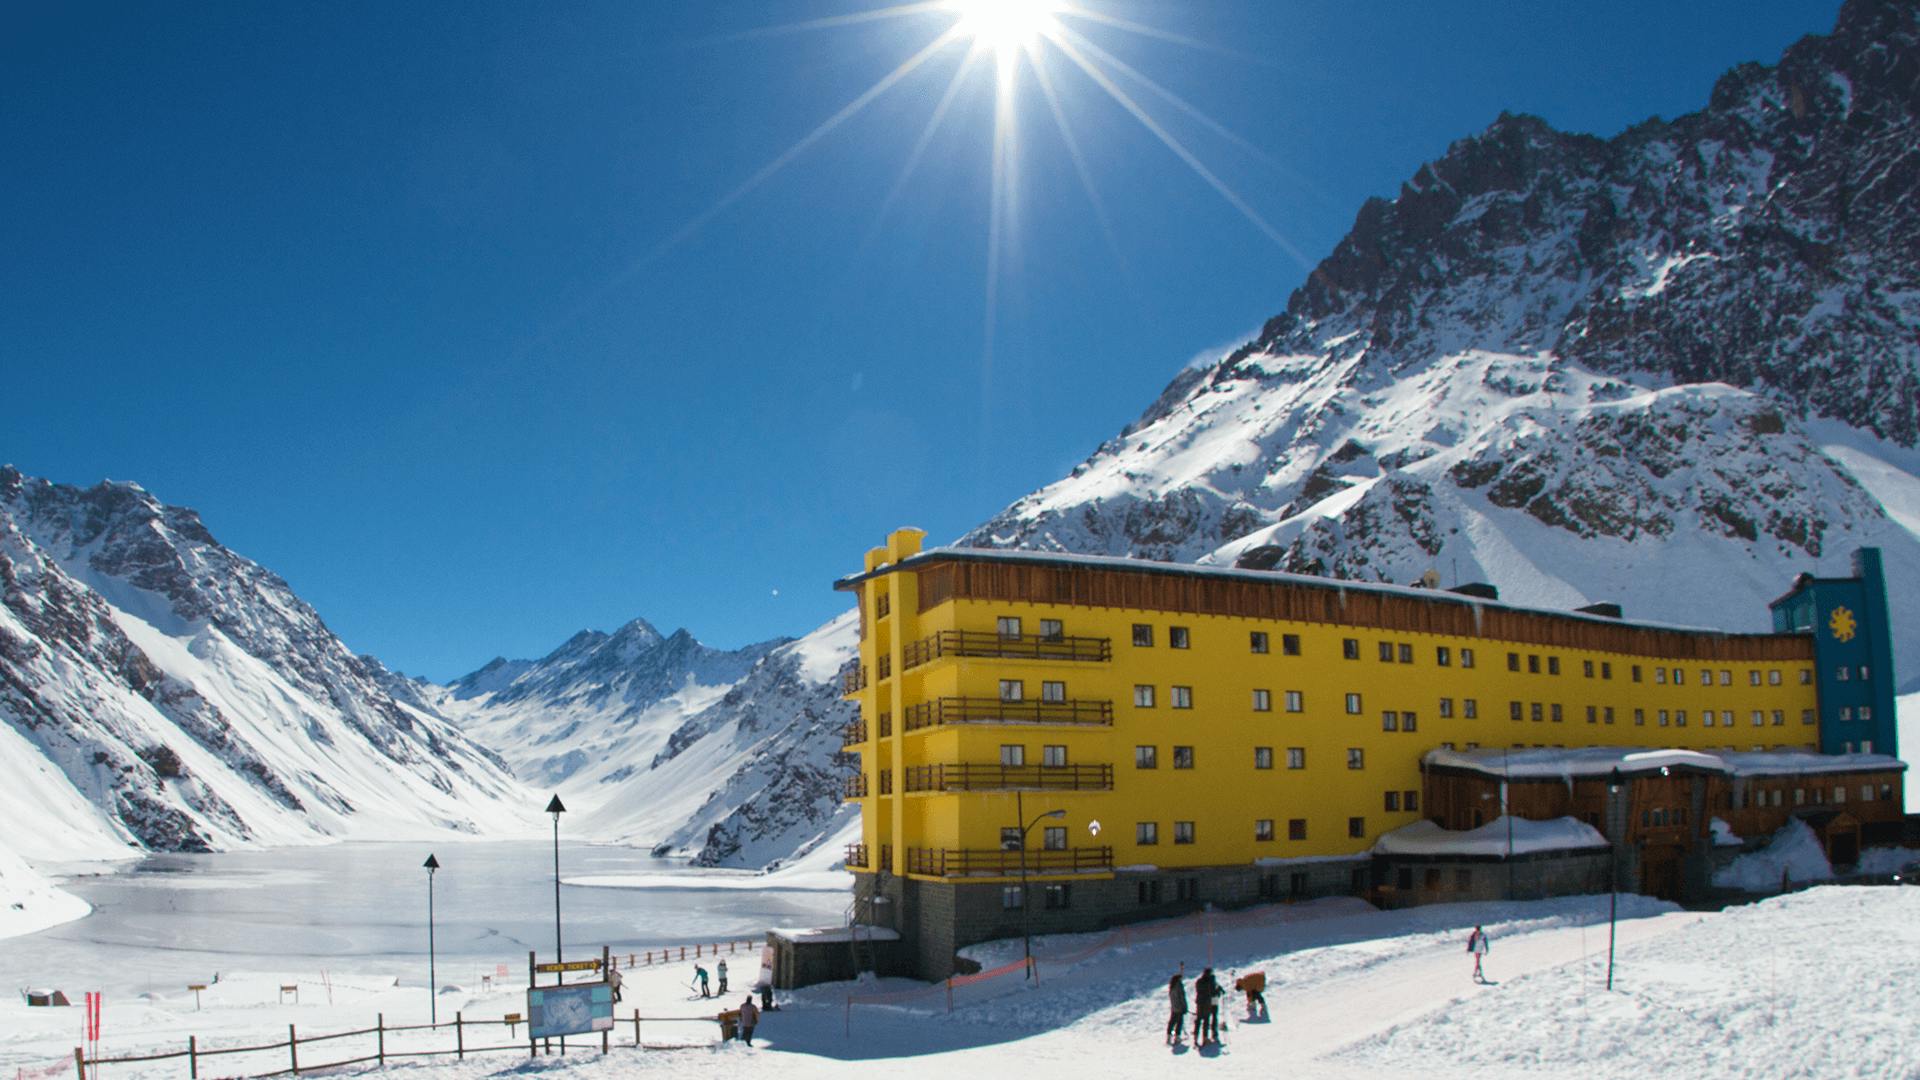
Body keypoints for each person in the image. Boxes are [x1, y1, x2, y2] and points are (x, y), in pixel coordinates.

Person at [1194, 967, 1222, 1045]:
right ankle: (1209, 1035)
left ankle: (1196, 1037)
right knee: (1210, 1017)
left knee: (1199, 1019)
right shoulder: (1210, 981)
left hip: (1200, 1002)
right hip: (1209, 1001)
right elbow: (1213, 992)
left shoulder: (1199, 981)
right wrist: (1218, 991)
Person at [1165, 972, 1188, 1046]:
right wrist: (1184, 1007)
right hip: (1180, 1007)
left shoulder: (1172, 986)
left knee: (1172, 1022)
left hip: (1174, 1007)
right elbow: (1182, 997)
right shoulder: (1179, 986)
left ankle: (1169, 1036)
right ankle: (1177, 1036)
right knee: (1179, 1022)